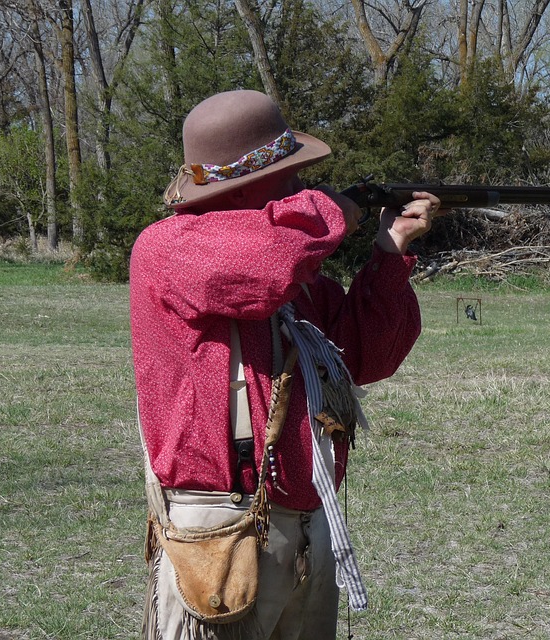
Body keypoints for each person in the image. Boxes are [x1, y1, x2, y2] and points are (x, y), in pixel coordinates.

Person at [129, 89, 439, 639]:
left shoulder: (295, 272)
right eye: (289, 172)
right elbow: (265, 262)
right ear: (251, 183)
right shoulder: (168, 247)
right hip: (223, 532)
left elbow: (367, 358)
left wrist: (390, 253)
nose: (301, 183)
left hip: (308, 527)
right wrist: (334, 209)